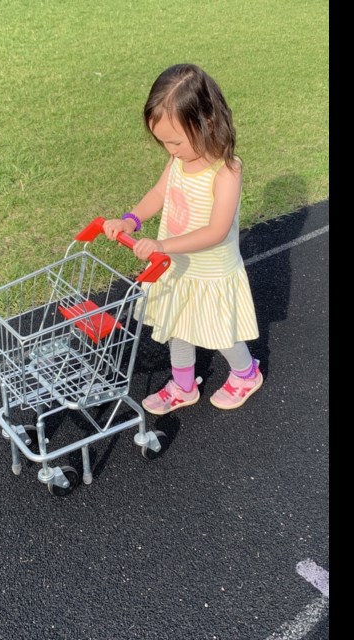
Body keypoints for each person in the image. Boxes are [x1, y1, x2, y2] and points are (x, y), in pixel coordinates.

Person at [102, 63, 262, 415]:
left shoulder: (226, 171)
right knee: (178, 324)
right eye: (163, 142)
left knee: (221, 330)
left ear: (206, 123)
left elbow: (216, 231)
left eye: (175, 140)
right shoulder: (177, 162)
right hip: (176, 266)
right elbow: (159, 193)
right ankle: (183, 385)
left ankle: (246, 373)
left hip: (211, 272)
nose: (169, 149)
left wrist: (162, 246)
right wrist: (131, 220)